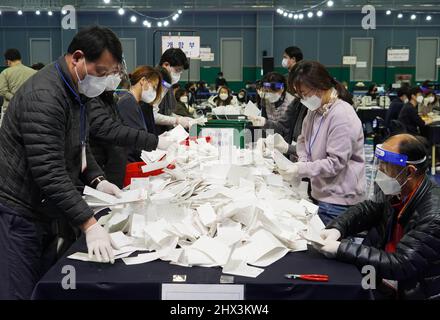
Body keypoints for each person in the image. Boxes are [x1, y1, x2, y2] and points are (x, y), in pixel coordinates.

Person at [0, 26, 124, 299]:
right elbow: (49, 171)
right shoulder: (45, 97)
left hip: (44, 211)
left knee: (41, 284)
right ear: (77, 58)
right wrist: (89, 224)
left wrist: (97, 179)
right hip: (19, 211)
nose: (103, 81)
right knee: (18, 290)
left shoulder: (76, 91)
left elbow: (79, 144)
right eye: (101, 72)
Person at [315, 134, 440, 300]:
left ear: (409, 171)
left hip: (409, 289)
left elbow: (401, 263)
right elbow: (369, 208)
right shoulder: (394, 187)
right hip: (378, 275)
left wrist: (340, 249)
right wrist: (338, 228)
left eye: (385, 165)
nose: (379, 170)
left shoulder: (433, 215)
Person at [278, 61, 366, 225]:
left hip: (340, 201)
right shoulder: (314, 111)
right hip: (320, 193)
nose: (303, 99)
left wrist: (300, 169)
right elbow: (303, 141)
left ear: (319, 86)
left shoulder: (341, 115)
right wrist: (302, 162)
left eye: (304, 93)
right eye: (299, 95)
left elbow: (335, 163)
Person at [87, 70, 160, 188]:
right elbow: (113, 131)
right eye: (154, 86)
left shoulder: (112, 99)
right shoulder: (126, 102)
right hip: (106, 171)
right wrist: (156, 142)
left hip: (114, 171)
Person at [117, 65, 172, 163]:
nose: (154, 92)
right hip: (130, 162)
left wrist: (158, 139)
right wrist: (156, 142)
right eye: (154, 87)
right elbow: (136, 137)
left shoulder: (135, 103)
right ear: (143, 81)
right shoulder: (128, 102)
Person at [250, 72, 307, 158]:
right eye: (266, 91)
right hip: (276, 142)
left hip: (289, 147)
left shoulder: (292, 101)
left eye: (271, 91)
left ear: (281, 89)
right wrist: (264, 126)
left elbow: (286, 129)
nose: (268, 94)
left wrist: (284, 149)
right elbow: (279, 126)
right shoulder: (265, 100)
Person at [155, 48, 190, 134]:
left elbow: (166, 112)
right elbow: (152, 115)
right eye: (177, 70)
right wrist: (176, 120)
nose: (178, 74)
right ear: (166, 65)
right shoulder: (155, 82)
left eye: (180, 72)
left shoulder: (167, 84)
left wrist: (182, 119)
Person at [0, 48, 37, 123]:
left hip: (10, 110)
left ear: (8, 61)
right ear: (20, 59)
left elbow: (2, 91)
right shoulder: (34, 72)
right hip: (30, 109)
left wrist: (15, 98)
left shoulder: (5, 73)